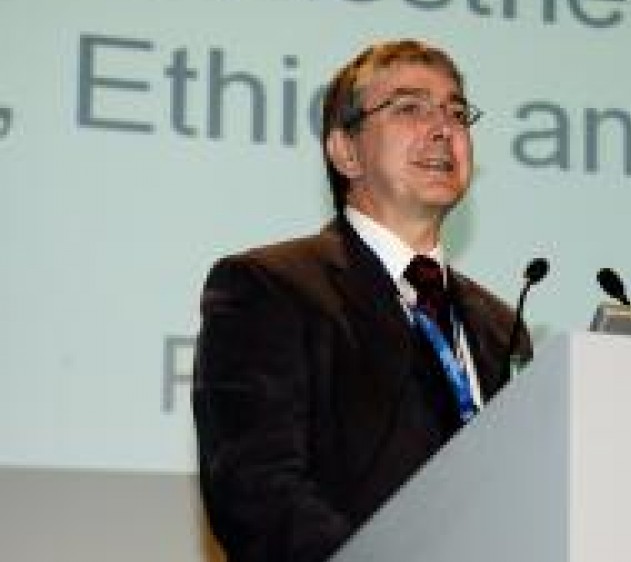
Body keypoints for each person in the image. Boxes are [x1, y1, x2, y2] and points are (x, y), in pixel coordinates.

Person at [192, 39, 529, 562]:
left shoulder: (499, 325)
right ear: (345, 151)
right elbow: (256, 495)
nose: (444, 128)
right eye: (410, 107)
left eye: (457, 112)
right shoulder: (267, 288)